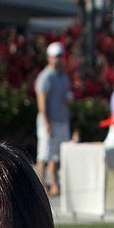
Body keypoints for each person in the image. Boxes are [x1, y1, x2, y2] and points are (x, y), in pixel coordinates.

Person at [34, 41, 73, 197]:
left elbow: (64, 98)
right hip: (48, 122)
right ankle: (40, 187)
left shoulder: (63, 77)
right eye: (55, 56)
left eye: (60, 56)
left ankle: (55, 185)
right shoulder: (45, 77)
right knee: (44, 155)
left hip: (62, 121)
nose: (58, 59)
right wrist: (46, 121)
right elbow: (41, 101)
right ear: (49, 57)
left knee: (56, 156)